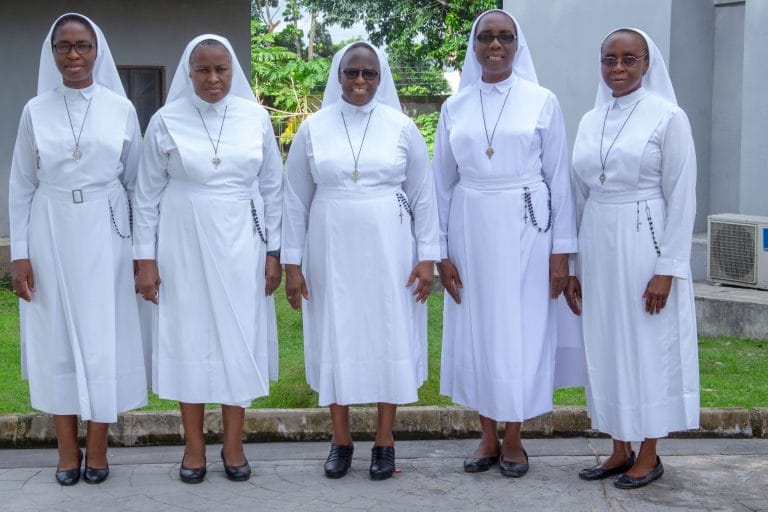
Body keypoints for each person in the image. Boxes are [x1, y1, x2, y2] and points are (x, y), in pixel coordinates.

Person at [282, 42, 439, 480]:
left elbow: (423, 197)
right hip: (329, 245)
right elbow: (294, 200)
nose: (360, 81)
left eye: (369, 74)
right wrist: (292, 266)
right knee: (337, 332)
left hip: (390, 246)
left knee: (387, 332)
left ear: (380, 76)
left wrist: (428, 257)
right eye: (352, 72)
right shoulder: (313, 128)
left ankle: (385, 441)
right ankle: (341, 439)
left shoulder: (402, 127)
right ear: (338, 74)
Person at [433, 9, 577, 478]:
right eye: (486, 38)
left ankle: (514, 437)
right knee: (479, 329)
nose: (495, 46)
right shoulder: (455, 106)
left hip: (526, 228)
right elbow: (441, 183)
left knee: (520, 329)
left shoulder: (542, 100)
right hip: (471, 225)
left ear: (518, 45)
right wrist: (441, 250)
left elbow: (559, 179)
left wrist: (562, 253)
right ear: (474, 46)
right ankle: (487, 435)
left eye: (505, 38)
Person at [134, 34, 282, 484]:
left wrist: (274, 252)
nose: (213, 78)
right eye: (203, 70)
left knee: (237, 338)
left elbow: (273, 189)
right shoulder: (166, 120)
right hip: (182, 242)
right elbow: (145, 194)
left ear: (232, 71)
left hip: (242, 242)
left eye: (221, 69)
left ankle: (234, 444)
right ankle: (194, 446)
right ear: (189, 72)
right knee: (189, 338)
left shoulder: (255, 118)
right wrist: (145, 259)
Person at [9, 13, 147, 485]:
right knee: (57, 341)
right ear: (52, 53)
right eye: (64, 46)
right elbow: (21, 184)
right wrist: (20, 254)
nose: (74, 55)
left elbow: (137, 184)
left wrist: (140, 252)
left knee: (101, 339)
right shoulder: (35, 110)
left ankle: (99, 448)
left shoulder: (120, 108)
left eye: (82, 46)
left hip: (107, 233)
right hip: (50, 230)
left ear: (97, 50)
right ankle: (67, 451)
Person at [565, 28, 699, 489]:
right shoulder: (589, 119)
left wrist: (667, 269)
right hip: (599, 238)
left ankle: (648, 453)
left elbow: (682, 197)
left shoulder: (668, 117)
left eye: (628, 59)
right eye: (609, 59)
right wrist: (575, 267)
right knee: (605, 344)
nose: (617, 69)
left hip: (646, 239)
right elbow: (579, 195)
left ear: (646, 63)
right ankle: (617, 447)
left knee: (645, 344)